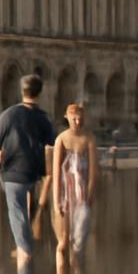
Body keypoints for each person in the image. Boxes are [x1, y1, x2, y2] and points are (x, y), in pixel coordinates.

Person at [0, 74, 56, 264]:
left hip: (12, 171)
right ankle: (27, 238)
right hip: (34, 172)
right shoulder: (43, 118)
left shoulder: (9, 114)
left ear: (22, 91)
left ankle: (25, 249)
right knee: (25, 206)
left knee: (16, 210)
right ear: (39, 93)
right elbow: (53, 144)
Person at [50, 102, 98, 257]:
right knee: (63, 241)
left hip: (82, 193)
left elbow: (93, 170)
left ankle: (77, 272)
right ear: (68, 118)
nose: (77, 122)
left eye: (80, 119)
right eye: (74, 119)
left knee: (79, 238)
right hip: (65, 192)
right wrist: (56, 201)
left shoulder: (88, 139)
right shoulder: (61, 139)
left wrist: (90, 195)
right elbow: (56, 171)